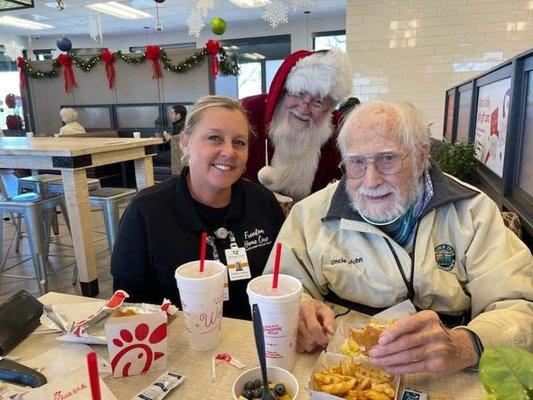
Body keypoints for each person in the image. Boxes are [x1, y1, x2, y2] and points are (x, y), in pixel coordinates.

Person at [264, 100, 532, 374]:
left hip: (445, 371)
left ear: (421, 156)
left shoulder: (474, 212)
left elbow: (519, 307)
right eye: (356, 162)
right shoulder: (308, 216)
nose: (371, 181)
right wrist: (298, 309)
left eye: (388, 158)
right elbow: (277, 288)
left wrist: (465, 345)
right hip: (343, 367)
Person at [111, 96, 285, 320]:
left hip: (255, 341)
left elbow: (284, 279)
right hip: (177, 344)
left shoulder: (263, 202)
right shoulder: (145, 212)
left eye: (239, 142)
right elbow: (128, 303)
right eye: (214, 138)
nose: (229, 152)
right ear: (185, 143)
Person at [241, 50, 353, 201]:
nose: (303, 109)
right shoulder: (249, 112)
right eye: (299, 94)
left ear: (329, 110)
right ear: (283, 91)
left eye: (318, 102)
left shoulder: (339, 131)